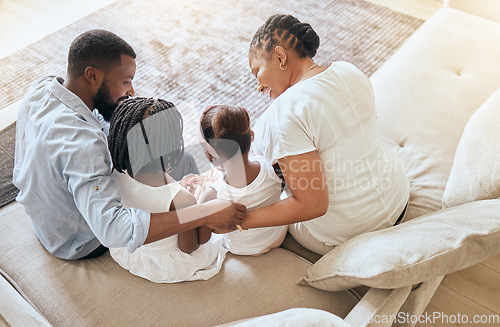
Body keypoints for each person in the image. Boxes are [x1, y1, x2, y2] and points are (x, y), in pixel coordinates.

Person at [12, 29, 245, 260]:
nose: (130, 91)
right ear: (92, 75)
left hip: (46, 222)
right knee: (183, 161)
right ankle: (190, 215)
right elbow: (113, 230)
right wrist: (202, 214)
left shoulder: (41, 88)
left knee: (155, 149)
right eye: (125, 82)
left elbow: (94, 123)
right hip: (79, 240)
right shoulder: (84, 145)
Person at [243, 14, 410, 255]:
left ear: (280, 57)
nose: (258, 86)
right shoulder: (348, 69)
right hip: (397, 199)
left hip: (352, 232)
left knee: (265, 176)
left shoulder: (285, 112)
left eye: (257, 72)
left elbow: (313, 205)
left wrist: (242, 221)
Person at [107, 97, 227, 282]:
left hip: (131, 249)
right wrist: (203, 203)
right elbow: (189, 247)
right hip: (168, 264)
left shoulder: (114, 172)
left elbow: (150, 198)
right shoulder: (182, 200)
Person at [198, 105, 287, 256]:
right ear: (251, 136)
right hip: (277, 237)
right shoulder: (272, 168)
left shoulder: (213, 194)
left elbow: (201, 238)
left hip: (242, 249)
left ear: (210, 156)